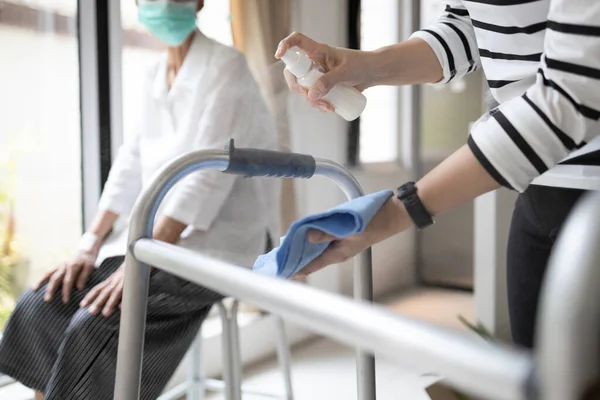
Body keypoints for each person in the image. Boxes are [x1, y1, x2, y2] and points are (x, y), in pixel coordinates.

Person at [277, 0, 600, 350]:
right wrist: (367, 66)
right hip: (540, 190)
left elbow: (571, 97)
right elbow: (470, 26)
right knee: (540, 374)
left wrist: (398, 212)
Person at [0, 1, 279, 399]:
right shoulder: (152, 76)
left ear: (198, 2)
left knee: (98, 323)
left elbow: (204, 181)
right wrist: (88, 245)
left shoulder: (226, 67)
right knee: (43, 302)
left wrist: (138, 265)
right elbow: (128, 167)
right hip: (153, 240)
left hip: (221, 244)